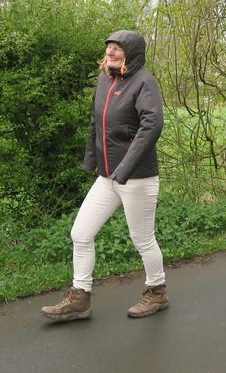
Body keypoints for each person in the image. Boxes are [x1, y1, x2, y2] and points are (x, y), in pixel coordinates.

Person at [41, 30, 167, 321]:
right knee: (81, 233)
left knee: (142, 239)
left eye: (118, 49)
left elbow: (152, 125)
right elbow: (95, 122)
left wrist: (124, 169)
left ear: (131, 54)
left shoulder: (144, 82)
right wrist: (92, 161)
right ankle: (80, 298)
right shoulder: (104, 80)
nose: (110, 52)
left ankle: (157, 291)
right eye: (109, 47)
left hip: (138, 178)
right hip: (108, 177)